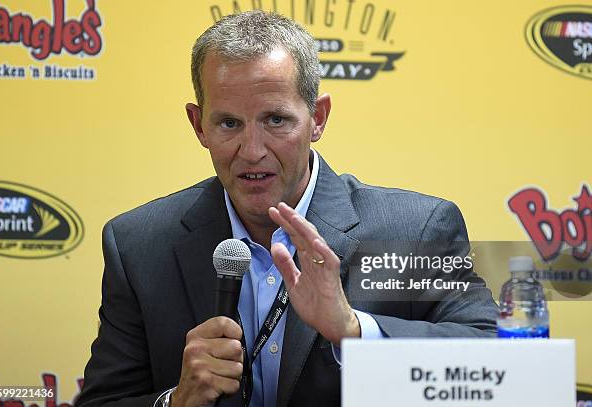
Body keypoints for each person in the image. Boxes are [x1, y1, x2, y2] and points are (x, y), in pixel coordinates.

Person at [76, 10, 498, 407]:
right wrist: (175, 401)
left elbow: (499, 361)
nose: (252, 150)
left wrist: (355, 331)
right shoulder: (140, 245)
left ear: (317, 117)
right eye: (229, 124)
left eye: (275, 120)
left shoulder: (413, 232)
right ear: (198, 124)